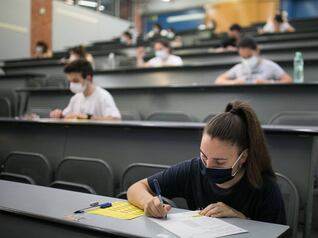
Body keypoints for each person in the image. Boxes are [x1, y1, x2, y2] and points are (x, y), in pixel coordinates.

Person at [127, 100, 286, 224]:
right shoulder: (193, 170)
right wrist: (149, 203)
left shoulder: (266, 188)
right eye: (204, 156)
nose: (208, 166)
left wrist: (241, 218)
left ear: (243, 157)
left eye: (219, 161)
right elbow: (136, 188)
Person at [49, 59, 121, 121]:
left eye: (75, 81)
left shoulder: (103, 96)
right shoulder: (75, 98)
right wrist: (59, 114)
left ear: (88, 78)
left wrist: (88, 117)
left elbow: (116, 119)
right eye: (70, 81)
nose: (72, 84)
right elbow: (66, 115)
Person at [215, 37, 292, 85]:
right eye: (244, 57)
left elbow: (288, 80)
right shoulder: (238, 67)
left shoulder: (270, 65)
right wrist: (233, 82)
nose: (247, 60)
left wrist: (268, 83)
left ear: (257, 50)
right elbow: (219, 80)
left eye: (249, 56)